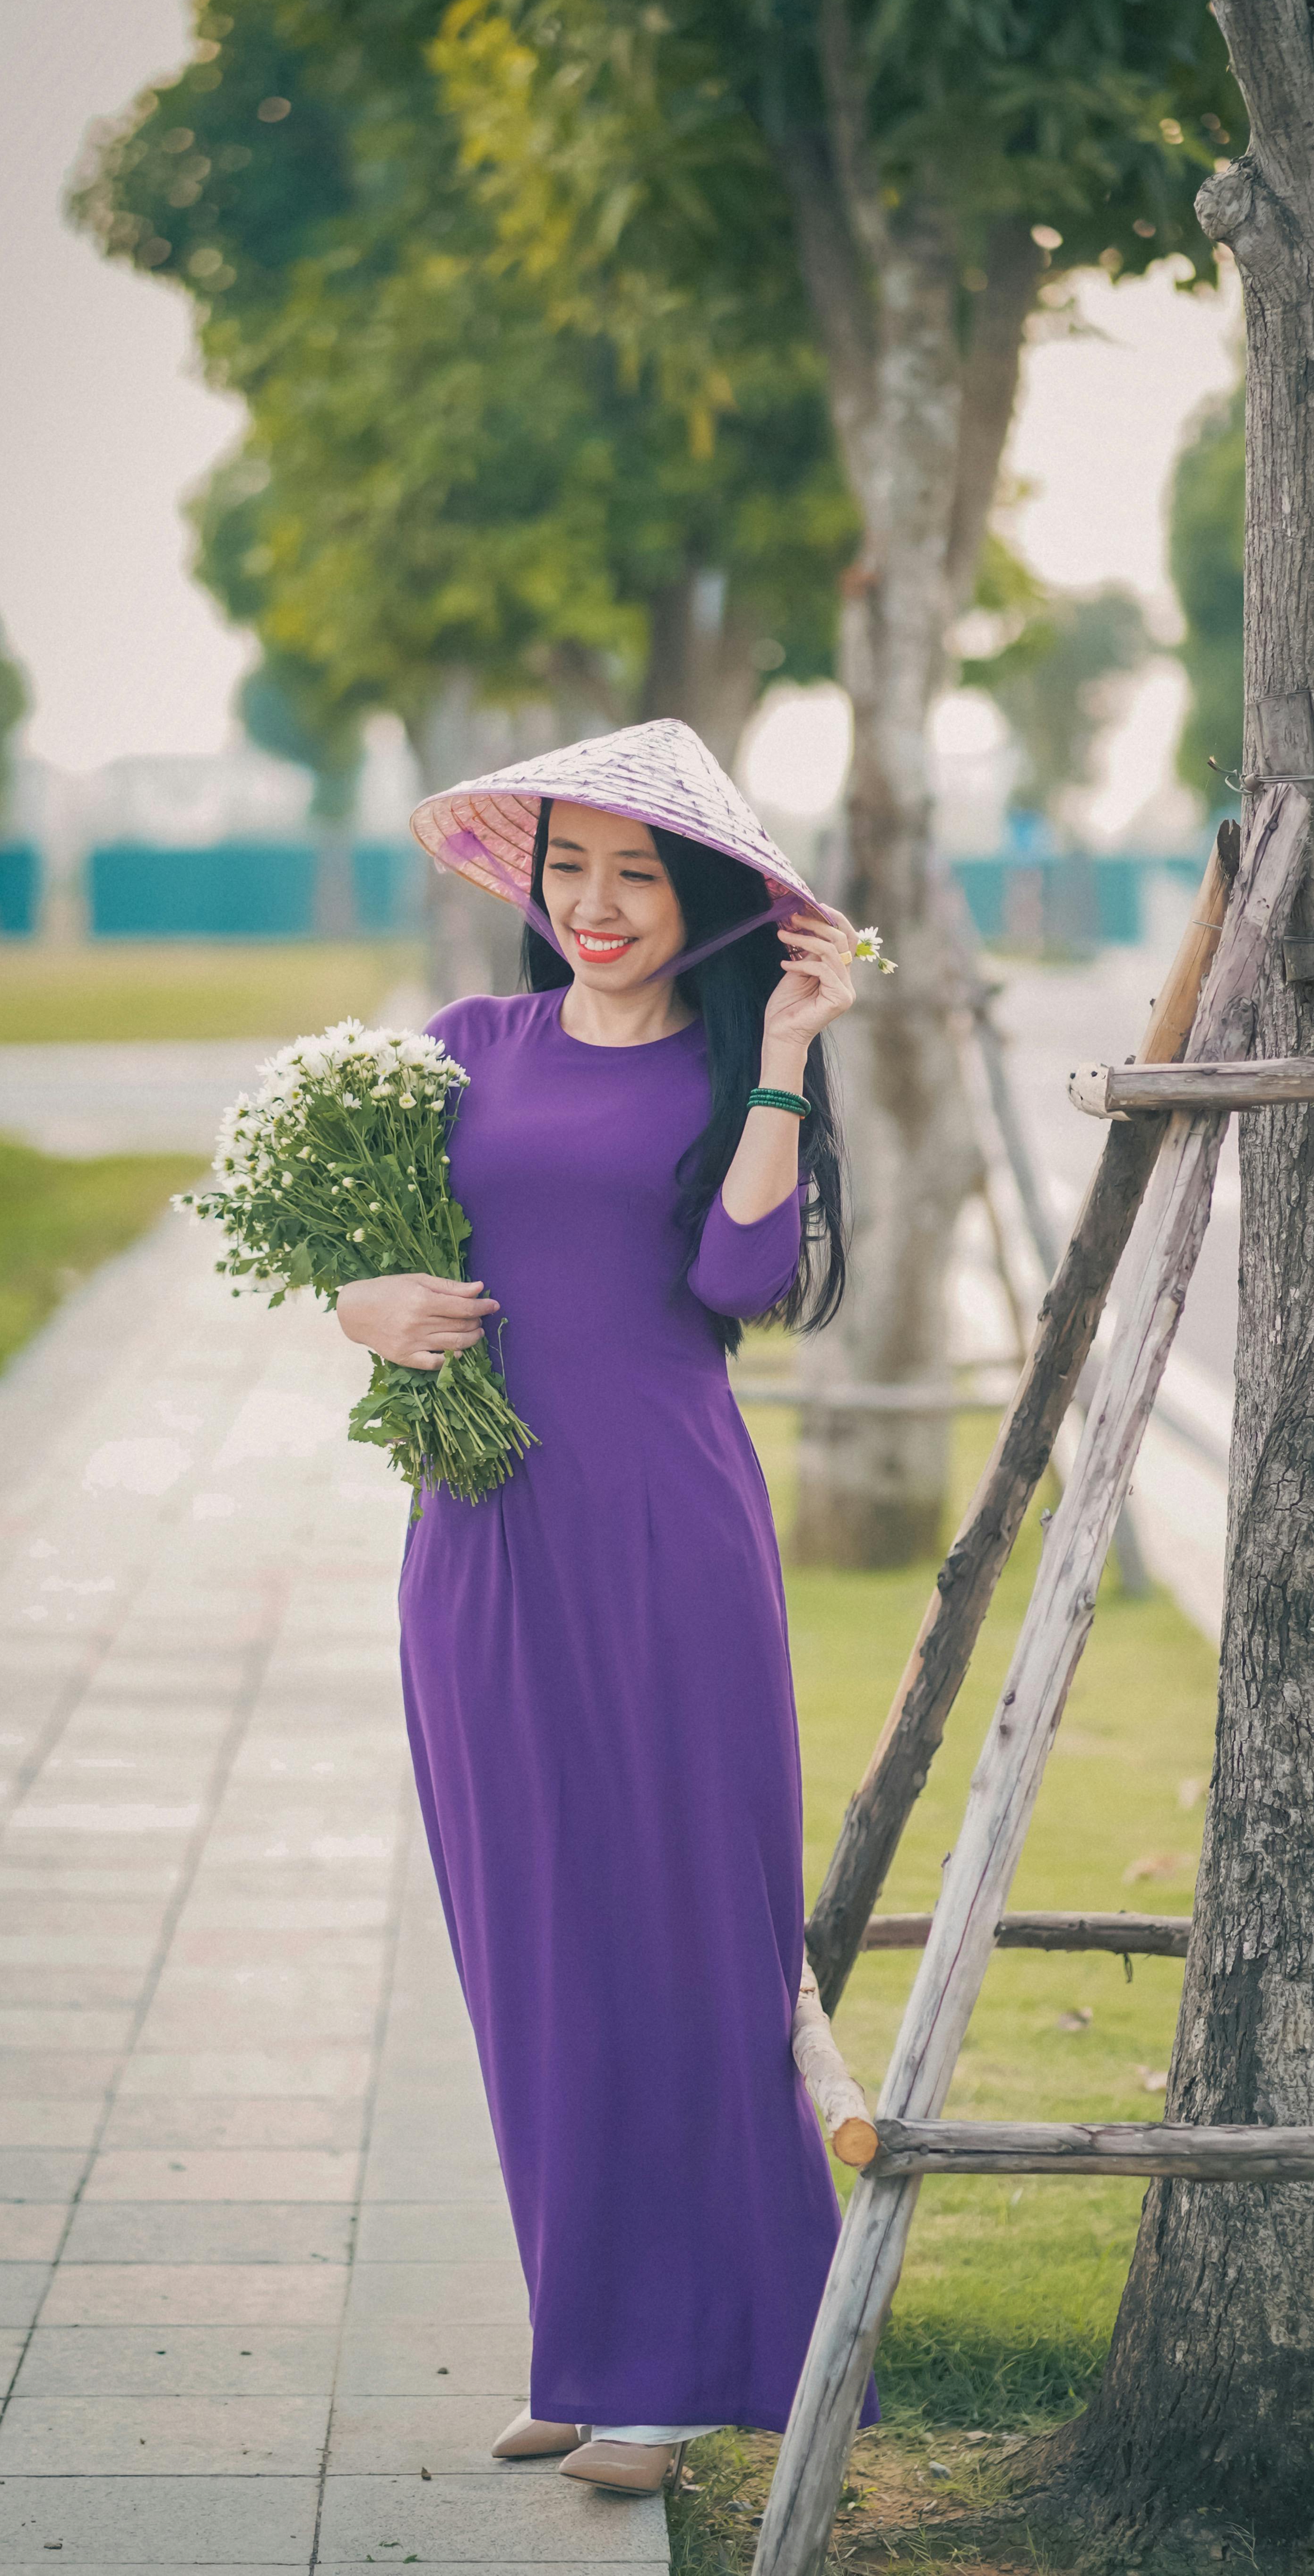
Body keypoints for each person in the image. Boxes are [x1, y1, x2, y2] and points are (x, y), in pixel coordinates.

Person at [336, 721, 874, 2494]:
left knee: (684, 1937)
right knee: (532, 1946)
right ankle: (583, 2342)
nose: (595, 903)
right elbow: (356, 1237)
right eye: (568, 867)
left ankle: (675, 2371)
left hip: (664, 1545)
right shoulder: (462, 1049)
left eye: (634, 873)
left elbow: (737, 1277)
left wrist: (786, 1051)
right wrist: (363, 1302)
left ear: (705, 897)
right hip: (480, 1546)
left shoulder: (733, 1067)